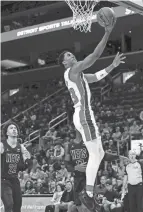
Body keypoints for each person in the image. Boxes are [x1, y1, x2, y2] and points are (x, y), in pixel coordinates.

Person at [59, 20, 126, 211]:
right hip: (83, 114)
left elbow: (96, 76)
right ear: (65, 62)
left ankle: (88, 193)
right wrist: (107, 32)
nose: (72, 56)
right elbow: (95, 56)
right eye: (69, 55)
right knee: (95, 154)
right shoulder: (72, 70)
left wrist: (112, 66)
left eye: (72, 54)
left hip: (85, 115)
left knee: (100, 153)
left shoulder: (78, 75)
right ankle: (87, 194)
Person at [0, 121, 32, 212]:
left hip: (15, 180)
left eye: (15, 128)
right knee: (9, 204)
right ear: (6, 132)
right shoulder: (2, 145)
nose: (14, 129)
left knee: (17, 207)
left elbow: (28, 162)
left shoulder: (21, 147)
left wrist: (26, 162)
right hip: (3, 180)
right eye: (11, 128)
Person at [65, 130, 90, 212]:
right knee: (78, 204)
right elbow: (67, 164)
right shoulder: (68, 145)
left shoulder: (88, 143)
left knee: (88, 205)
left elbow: (95, 159)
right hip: (77, 178)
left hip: (88, 178)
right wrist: (76, 167)